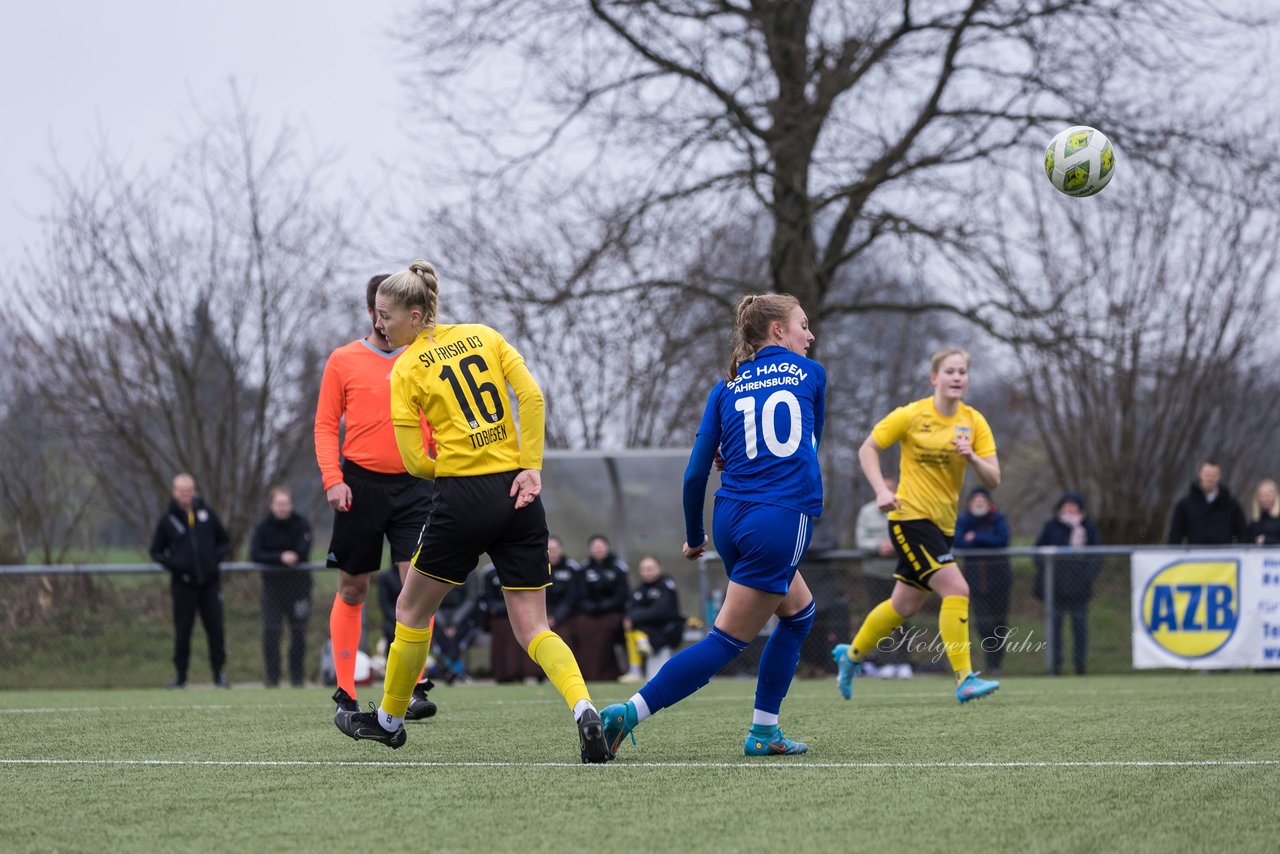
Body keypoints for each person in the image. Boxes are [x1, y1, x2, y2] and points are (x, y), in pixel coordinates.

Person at [334, 259, 610, 763]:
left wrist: (455, 473)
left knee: (410, 611)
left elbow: (415, 460)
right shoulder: (484, 334)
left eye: (385, 315)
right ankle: (584, 709)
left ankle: (389, 722)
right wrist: (529, 467)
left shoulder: (407, 368)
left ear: (416, 316)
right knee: (534, 628)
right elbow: (529, 396)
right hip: (518, 493)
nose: (379, 324)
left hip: (462, 495)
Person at [601, 293, 825, 758]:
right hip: (778, 518)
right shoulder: (812, 373)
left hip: (731, 518)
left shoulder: (726, 386)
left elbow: (695, 474)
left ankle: (765, 731)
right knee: (725, 642)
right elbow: (808, 443)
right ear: (778, 331)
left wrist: (694, 534)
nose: (811, 334)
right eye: (803, 325)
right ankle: (627, 713)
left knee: (799, 613)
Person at [832, 347, 1002, 704]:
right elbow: (868, 448)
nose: (957, 377)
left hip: (943, 526)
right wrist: (880, 490)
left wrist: (971, 456)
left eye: (962, 372)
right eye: (950, 371)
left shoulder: (974, 422)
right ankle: (964, 678)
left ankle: (851, 656)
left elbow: (994, 478)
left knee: (904, 605)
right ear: (934, 378)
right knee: (957, 588)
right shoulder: (911, 415)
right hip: (909, 519)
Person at [315, 274, 438, 721]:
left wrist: (442, 468)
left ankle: (415, 686)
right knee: (353, 587)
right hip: (359, 485)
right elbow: (327, 425)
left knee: (418, 584)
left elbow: (439, 421)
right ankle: (345, 691)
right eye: (382, 314)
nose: (388, 323)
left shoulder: (423, 358)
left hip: (415, 485)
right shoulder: (343, 360)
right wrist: (333, 478)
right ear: (372, 312)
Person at [148, 473, 231, 688]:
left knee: (215, 629)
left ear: (194, 491)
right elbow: (156, 551)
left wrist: (213, 560)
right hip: (183, 585)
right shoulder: (168, 520)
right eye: (181, 490)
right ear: (175, 492)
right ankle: (181, 675)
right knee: (183, 630)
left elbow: (224, 542)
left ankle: (219, 673)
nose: (186, 494)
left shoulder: (207, 515)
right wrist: (175, 564)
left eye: (189, 490)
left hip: (210, 584)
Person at [249, 486, 314, 687]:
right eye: (279, 504)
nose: (282, 508)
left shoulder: (301, 524)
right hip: (273, 590)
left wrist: (293, 556)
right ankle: (272, 676)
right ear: (271, 505)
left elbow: (302, 551)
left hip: (299, 588)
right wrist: (280, 557)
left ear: (291, 505)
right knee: (271, 631)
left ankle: (297, 676)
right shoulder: (263, 528)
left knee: (298, 631)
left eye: (286, 504)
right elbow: (255, 554)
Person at [1033, 491, 1103, 675]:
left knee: (1080, 629)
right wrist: (1049, 571)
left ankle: (1080, 666)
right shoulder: (1051, 527)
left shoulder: (1088, 528)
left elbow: (1097, 556)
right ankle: (1054, 666)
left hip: (1080, 589)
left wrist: (1087, 575)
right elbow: (1037, 551)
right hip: (1055, 588)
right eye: (1066, 505)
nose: (1069, 509)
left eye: (1073, 506)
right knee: (1054, 630)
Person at [854, 476, 914, 678]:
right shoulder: (867, 512)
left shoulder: (905, 509)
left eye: (891, 489)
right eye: (883, 489)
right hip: (874, 573)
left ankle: (904, 663)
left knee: (903, 616)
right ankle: (883, 663)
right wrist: (878, 546)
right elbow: (861, 539)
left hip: (901, 572)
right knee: (879, 617)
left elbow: (913, 535)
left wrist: (895, 545)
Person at [953, 486, 1012, 675]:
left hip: (1000, 581)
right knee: (983, 624)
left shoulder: (998, 519)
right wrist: (982, 540)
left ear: (989, 503)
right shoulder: (964, 520)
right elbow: (958, 542)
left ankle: (995, 664)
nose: (979, 504)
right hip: (975, 582)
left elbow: (1002, 540)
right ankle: (988, 659)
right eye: (975, 501)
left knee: (999, 624)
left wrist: (976, 537)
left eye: (982, 501)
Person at [570, 534, 629, 682]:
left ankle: (609, 673)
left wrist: (605, 606)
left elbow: (622, 595)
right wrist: (590, 607)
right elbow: (579, 594)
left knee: (606, 629)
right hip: (589, 612)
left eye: (601, 546)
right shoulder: (583, 569)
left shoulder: (618, 568)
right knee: (583, 628)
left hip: (612, 612)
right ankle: (587, 673)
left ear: (607, 547)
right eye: (595, 547)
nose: (598, 549)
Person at [625, 555, 684, 680]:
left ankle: (643, 644)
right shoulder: (639, 590)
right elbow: (630, 611)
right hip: (649, 629)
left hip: (668, 630)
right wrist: (633, 618)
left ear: (659, 568)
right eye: (644, 569)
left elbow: (660, 612)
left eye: (651, 568)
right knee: (630, 628)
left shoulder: (666, 584)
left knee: (637, 627)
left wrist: (636, 617)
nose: (647, 572)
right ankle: (635, 670)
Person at [482, 563, 542, 682]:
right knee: (502, 628)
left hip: (523, 610)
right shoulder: (489, 572)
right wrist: (500, 608)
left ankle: (529, 673)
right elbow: (488, 598)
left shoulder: (522, 565)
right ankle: (504, 674)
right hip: (501, 614)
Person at [1167, 461, 1247, 545]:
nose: (1210, 478)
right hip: (1194, 556)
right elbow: (1175, 535)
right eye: (1207, 474)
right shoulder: (1184, 505)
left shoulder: (1231, 505)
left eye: (1214, 475)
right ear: (1200, 475)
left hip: (1224, 556)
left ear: (1219, 476)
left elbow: (1242, 533)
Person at [1247, 479, 1280, 545]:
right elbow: (1248, 539)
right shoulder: (1255, 520)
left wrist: (1267, 540)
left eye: (1268, 495)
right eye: (1263, 495)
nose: (1266, 499)